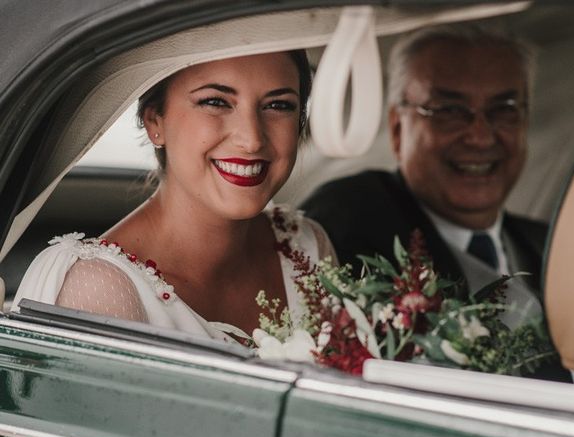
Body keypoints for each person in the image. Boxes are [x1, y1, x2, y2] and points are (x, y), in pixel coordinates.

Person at [301, 26, 571, 382]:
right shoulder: (350, 219)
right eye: (449, 110)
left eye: (503, 110)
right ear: (398, 129)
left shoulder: (555, 249)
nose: (480, 136)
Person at [12, 51, 335, 343]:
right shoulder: (99, 288)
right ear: (155, 121)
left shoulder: (304, 247)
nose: (251, 139)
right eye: (215, 102)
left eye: (278, 106)